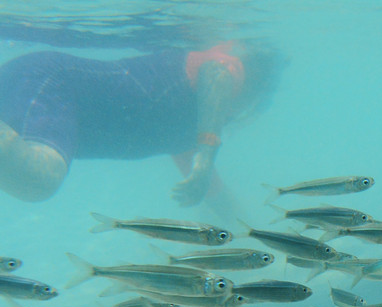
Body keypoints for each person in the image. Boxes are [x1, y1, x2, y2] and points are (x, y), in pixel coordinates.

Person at [0, 39, 286, 204]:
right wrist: (207, 157)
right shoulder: (226, 69)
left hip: (36, 85)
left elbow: (215, 196)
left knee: (31, 182)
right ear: (257, 85)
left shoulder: (186, 135)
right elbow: (218, 75)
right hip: (50, 79)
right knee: (40, 177)